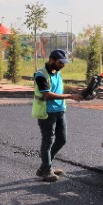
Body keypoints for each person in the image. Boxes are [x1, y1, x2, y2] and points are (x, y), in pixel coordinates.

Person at [32, 48, 71, 181]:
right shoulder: (41, 74)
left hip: (60, 110)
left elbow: (58, 88)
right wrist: (71, 95)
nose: (63, 65)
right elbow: (47, 94)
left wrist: (77, 90)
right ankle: (47, 169)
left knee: (62, 139)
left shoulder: (56, 72)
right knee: (48, 141)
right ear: (52, 60)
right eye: (60, 62)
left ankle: (45, 166)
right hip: (47, 112)